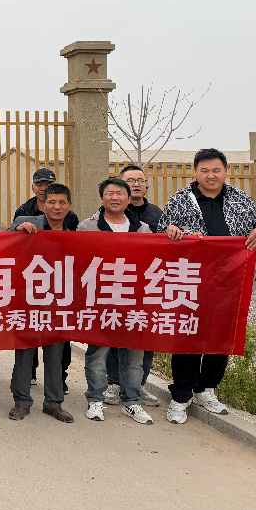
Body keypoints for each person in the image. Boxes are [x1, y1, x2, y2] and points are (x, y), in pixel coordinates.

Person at [160, 148, 256, 425]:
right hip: (191, 281)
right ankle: (181, 395)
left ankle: (206, 388)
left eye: (216, 170)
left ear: (225, 172)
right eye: (204, 170)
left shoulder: (241, 199)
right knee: (188, 336)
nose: (211, 175)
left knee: (221, 336)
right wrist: (175, 233)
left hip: (231, 281)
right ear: (195, 172)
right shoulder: (180, 200)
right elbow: (163, 231)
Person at [78, 178, 155, 425]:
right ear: (102, 198)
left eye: (120, 193)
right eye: (109, 193)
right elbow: (79, 262)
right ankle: (95, 399)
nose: (115, 197)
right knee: (98, 353)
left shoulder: (142, 229)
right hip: (100, 301)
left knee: (134, 355)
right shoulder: (87, 227)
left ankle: (132, 402)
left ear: (128, 198)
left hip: (134, 301)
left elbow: (152, 261)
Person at [6, 183, 76, 423]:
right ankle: (21, 402)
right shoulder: (27, 222)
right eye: (52, 202)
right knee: (25, 352)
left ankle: (53, 403)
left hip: (58, 302)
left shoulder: (73, 234)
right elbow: (3, 240)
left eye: (62, 202)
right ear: (43, 204)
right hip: (27, 300)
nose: (57, 207)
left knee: (55, 354)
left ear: (69, 206)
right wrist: (17, 230)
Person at [104, 164, 162, 407]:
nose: (136, 184)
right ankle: (113, 384)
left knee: (144, 338)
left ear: (146, 185)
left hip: (145, 286)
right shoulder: (107, 214)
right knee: (113, 335)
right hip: (114, 284)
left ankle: (139, 384)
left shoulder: (157, 215)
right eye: (130, 180)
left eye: (140, 180)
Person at [13, 168, 79, 230]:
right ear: (32, 188)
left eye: (47, 185)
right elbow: (10, 234)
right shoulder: (23, 211)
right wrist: (17, 228)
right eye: (39, 185)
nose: (43, 189)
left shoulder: (70, 216)